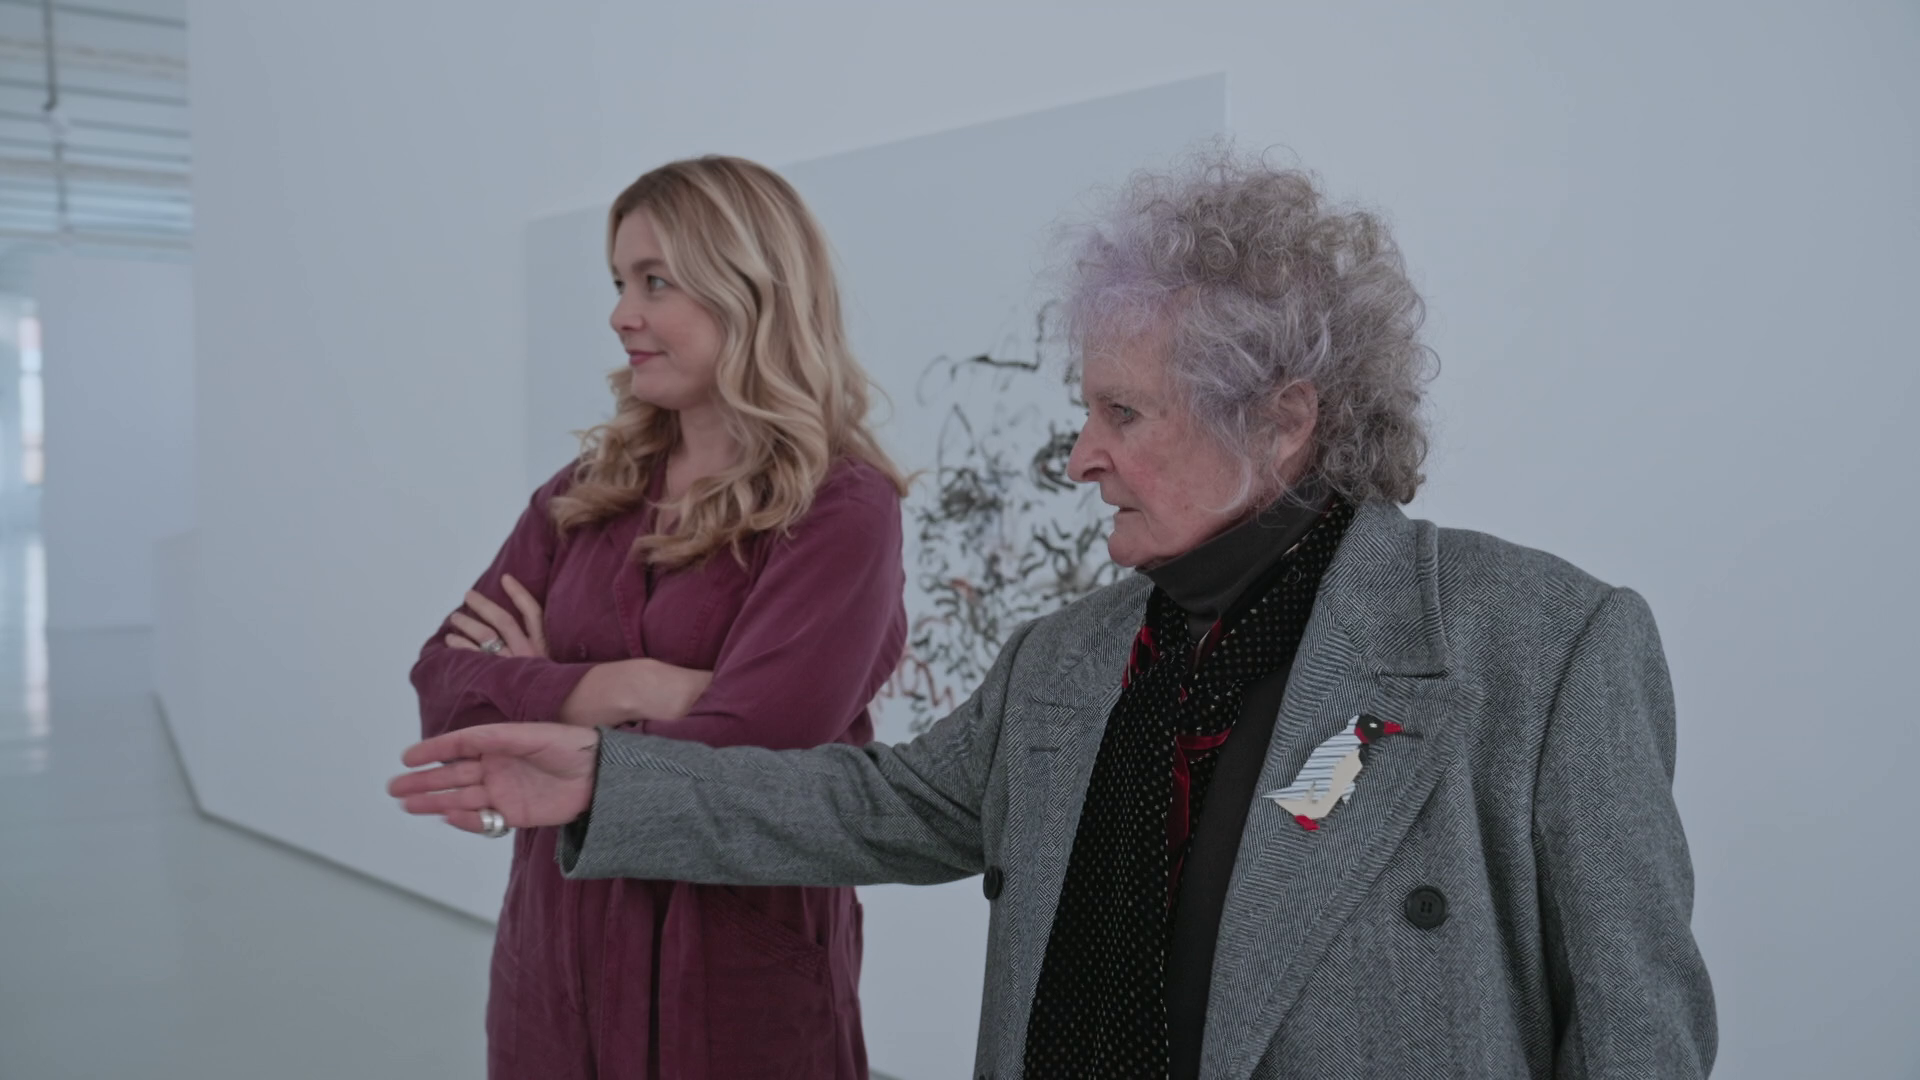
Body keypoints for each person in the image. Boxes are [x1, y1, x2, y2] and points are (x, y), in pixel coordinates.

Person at [393, 148, 1717, 1079]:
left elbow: (1637, 1039)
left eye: (1122, 415)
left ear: (1281, 419)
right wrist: (605, 774)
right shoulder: (1070, 657)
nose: (1080, 456)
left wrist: (586, 697)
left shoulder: (1539, 645)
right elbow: (877, 804)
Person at [407, 155, 908, 1079]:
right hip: (553, 958)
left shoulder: (840, 509)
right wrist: (627, 686)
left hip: (728, 966)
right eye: (618, 283)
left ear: (749, 290)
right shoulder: (583, 492)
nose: (620, 315)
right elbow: (444, 687)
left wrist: (539, 691)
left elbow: (754, 751)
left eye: (655, 282)